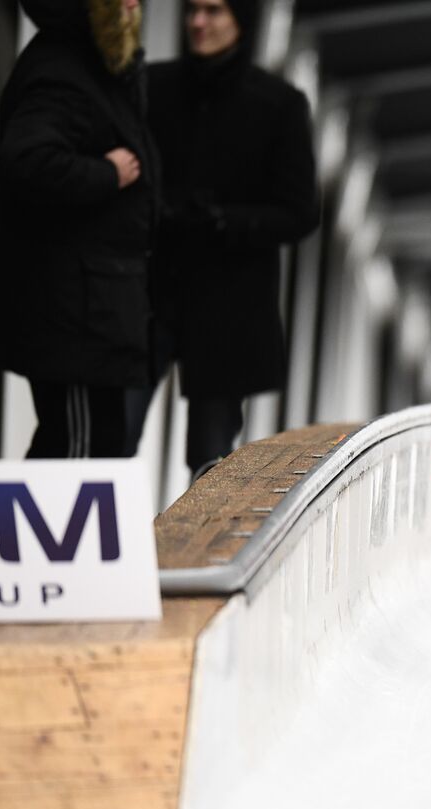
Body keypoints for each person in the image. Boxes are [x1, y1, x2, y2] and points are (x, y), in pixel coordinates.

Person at [147, 0, 319, 480]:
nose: (198, 23)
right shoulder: (152, 88)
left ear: (240, 22)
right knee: (113, 428)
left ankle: (195, 555)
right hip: (151, 294)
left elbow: (301, 212)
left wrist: (224, 221)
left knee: (211, 456)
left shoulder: (278, 105)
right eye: (192, 11)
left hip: (227, 306)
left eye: (213, 11)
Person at [0, 0, 158, 458]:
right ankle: (30, 534)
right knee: (75, 453)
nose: (134, 4)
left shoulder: (97, 65)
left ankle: (33, 532)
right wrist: (105, 174)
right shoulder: (62, 70)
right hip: (74, 318)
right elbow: (26, 162)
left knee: (87, 446)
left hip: (93, 314)